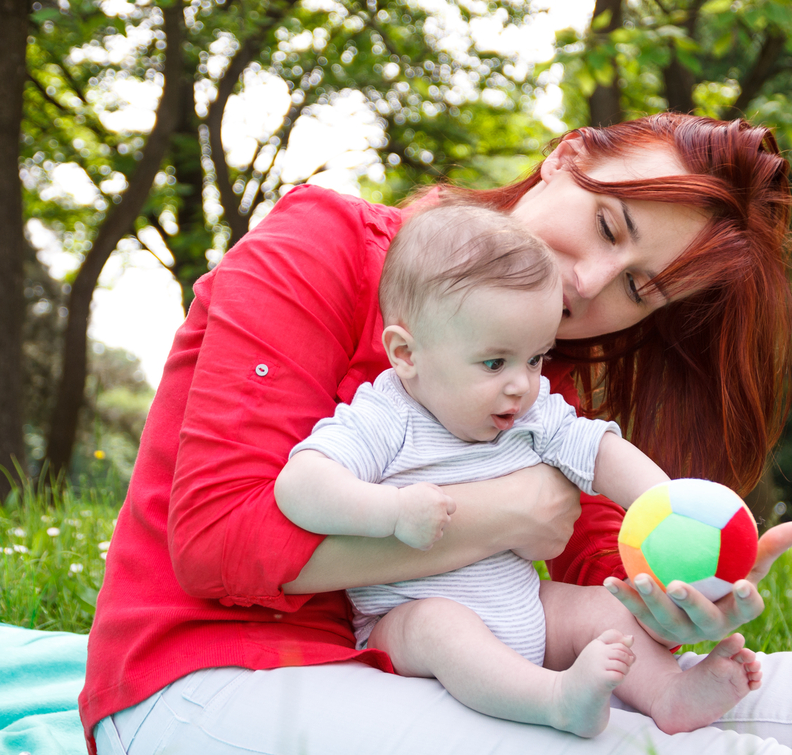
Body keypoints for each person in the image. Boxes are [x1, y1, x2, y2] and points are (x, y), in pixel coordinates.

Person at [82, 113, 792, 755]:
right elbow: (215, 542)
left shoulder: (541, 370)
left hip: (420, 677)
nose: (590, 283)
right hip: (203, 682)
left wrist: (678, 589)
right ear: (564, 159)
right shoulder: (318, 247)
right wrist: (497, 517)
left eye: (640, 289)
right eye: (607, 225)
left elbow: (592, 570)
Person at [275, 203, 763, 737]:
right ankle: (555, 699)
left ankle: (668, 692)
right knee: (439, 626)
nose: (521, 384)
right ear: (406, 353)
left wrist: (674, 506)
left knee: (596, 611)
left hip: (526, 609)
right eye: (494, 363)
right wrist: (389, 511)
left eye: (535, 359)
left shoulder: (529, 410)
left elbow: (597, 450)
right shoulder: (387, 417)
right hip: (407, 626)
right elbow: (301, 485)